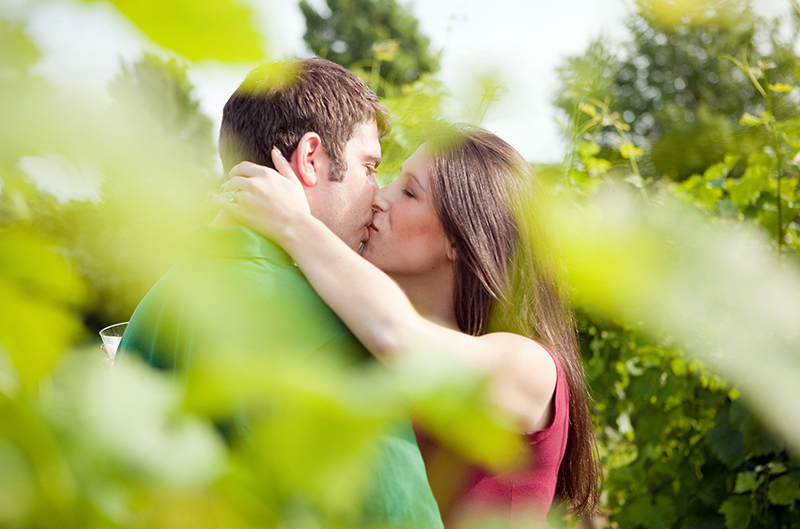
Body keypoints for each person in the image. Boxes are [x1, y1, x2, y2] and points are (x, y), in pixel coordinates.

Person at [213, 125, 601, 526]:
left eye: (410, 191)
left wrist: (293, 223)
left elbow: (398, 337)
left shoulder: (530, 367)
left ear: (459, 236)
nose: (380, 197)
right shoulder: (365, 349)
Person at [116, 58, 443, 529]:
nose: (376, 193)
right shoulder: (324, 323)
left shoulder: (158, 303)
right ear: (311, 158)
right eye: (368, 166)